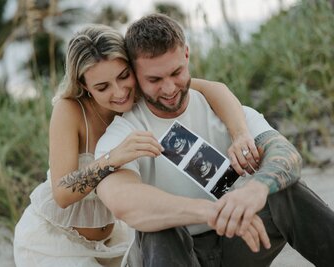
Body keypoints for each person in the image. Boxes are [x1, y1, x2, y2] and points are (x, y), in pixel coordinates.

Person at [94, 14, 334, 267]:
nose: (169, 88)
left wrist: (257, 188)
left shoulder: (225, 112)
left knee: (284, 187)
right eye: (154, 80)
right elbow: (121, 199)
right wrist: (208, 212)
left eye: (176, 72)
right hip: (174, 254)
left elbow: (287, 154)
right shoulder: (124, 133)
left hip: (238, 241)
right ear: (134, 73)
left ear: (186, 55)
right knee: (157, 225)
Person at [13, 24, 259, 267]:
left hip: (114, 241)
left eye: (123, 76)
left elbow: (214, 89)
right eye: (102, 87)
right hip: (56, 242)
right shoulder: (70, 110)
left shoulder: (147, 91)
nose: (120, 92)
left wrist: (240, 134)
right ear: (84, 85)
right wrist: (113, 158)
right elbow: (62, 194)